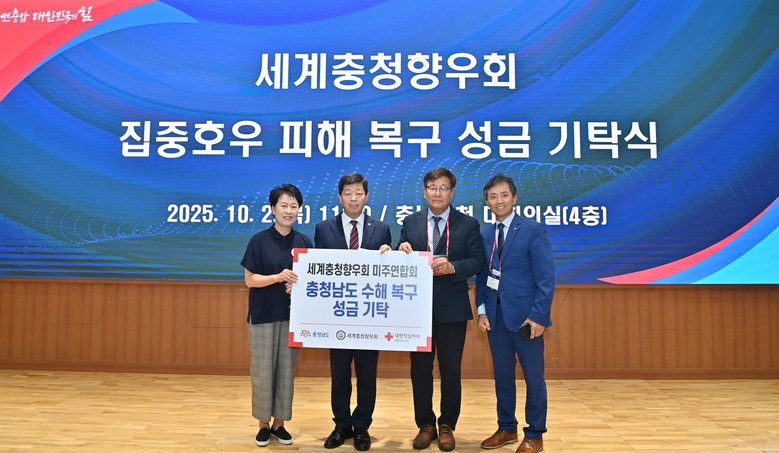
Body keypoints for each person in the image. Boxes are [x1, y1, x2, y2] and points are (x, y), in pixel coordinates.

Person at [395, 168, 485, 452]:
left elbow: (478, 261)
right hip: (416, 309)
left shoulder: (468, 224)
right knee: (420, 370)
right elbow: (400, 255)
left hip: (452, 309)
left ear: (452, 192)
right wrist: (400, 249)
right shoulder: (411, 222)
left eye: (443, 188)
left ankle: (447, 425)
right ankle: (425, 425)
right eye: (432, 187)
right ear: (424, 191)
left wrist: (454, 267)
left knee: (450, 370)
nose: (437, 193)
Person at [475, 174, 555, 453]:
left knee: (533, 378)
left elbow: (546, 278)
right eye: (493, 196)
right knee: (502, 376)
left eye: (504, 195)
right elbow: (482, 275)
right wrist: (482, 310)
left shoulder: (533, 230)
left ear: (514, 198)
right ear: (487, 202)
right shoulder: (485, 234)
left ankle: (534, 434)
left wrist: (539, 317)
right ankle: (507, 428)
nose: (499, 201)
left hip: (526, 319)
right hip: (495, 318)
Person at [315, 173, 392, 451]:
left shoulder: (381, 228)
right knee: (339, 374)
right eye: (348, 193)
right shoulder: (324, 228)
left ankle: (361, 427)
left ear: (367, 196)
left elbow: (388, 271)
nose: (353, 198)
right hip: (338, 314)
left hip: (369, 316)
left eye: (359, 193)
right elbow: (317, 270)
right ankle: (341, 425)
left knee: (367, 374)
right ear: (340, 197)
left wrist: (390, 253)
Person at [240, 183, 313, 448]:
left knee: (285, 372)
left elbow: (313, 281)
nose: (289, 211)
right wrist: (277, 277)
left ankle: (279, 424)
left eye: (294, 206)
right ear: (273, 209)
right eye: (284, 205)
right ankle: (262, 425)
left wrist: (298, 286)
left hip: (293, 317)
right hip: (263, 316)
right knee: (262, 372)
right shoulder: (258, 241)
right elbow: (250, 280)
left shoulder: (304, 242)